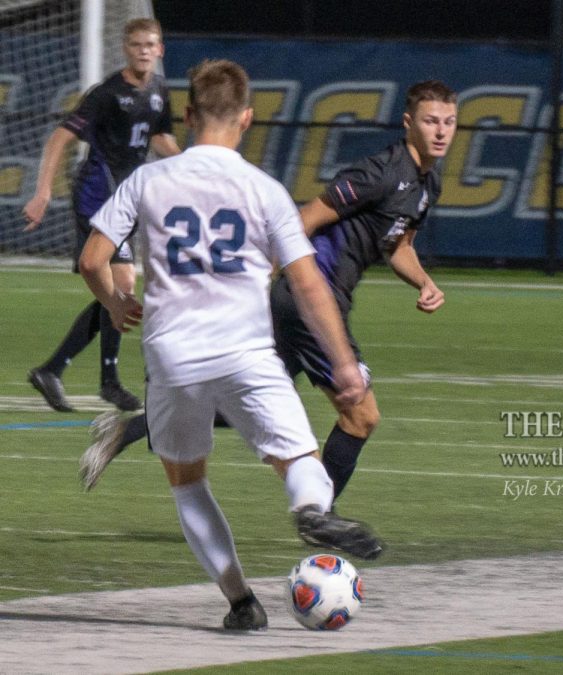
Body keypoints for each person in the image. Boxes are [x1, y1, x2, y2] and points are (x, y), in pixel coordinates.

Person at [78, 59, 382, 631]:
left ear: (188, 115)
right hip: (246, 350)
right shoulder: (263, 190)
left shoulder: (147, 180)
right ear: (246, 118)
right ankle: (312, 510)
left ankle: (242, 603)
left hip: (172, 355)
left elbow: (93, 259)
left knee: (188, 481)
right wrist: (343, 364)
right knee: (297, 460)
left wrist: (117, 305)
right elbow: (309, 282)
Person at [79, 79, 458, 505]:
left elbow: (397, 244)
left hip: (303, 301)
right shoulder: (380, 173)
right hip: (311, 301)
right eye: (430, 121)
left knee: (243, 402)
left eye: (448, 122)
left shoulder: (429, 179)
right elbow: (304, 220)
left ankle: (127, 428)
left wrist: (424, 282)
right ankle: (320, 517)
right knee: (361, 416)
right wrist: (270, 277)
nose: (441, 131)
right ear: (409, 123)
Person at [23, 17, 180, 413]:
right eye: (137, 44)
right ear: (126, 49)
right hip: (96, 193)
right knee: (121, 284)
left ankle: (57, 371)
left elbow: (159, 138)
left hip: (125, 198)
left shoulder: (160, 91)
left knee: (120, 290)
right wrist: (43, 191)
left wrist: (197, 162)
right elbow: (60, 137)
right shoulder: (107, 93)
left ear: (160, 49)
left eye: (150, 44)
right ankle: (103, 381)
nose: (144, 50)